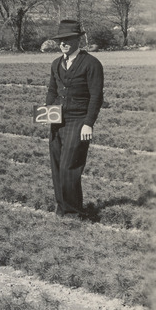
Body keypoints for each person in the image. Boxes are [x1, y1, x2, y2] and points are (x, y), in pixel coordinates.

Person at [44, 19, 104, 219]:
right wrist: (47, 113)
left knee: (70, 166)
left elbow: (96, 96)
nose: (63, 43)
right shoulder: (56, 63)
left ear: (78, 39)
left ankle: (73, 213)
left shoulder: (92, 64)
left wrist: (88, 124)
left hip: (78, 120)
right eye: (60, 40)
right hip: (57, 120)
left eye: (68, 39)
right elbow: (52, 91)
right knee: (57, 166)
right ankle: (61, 209)